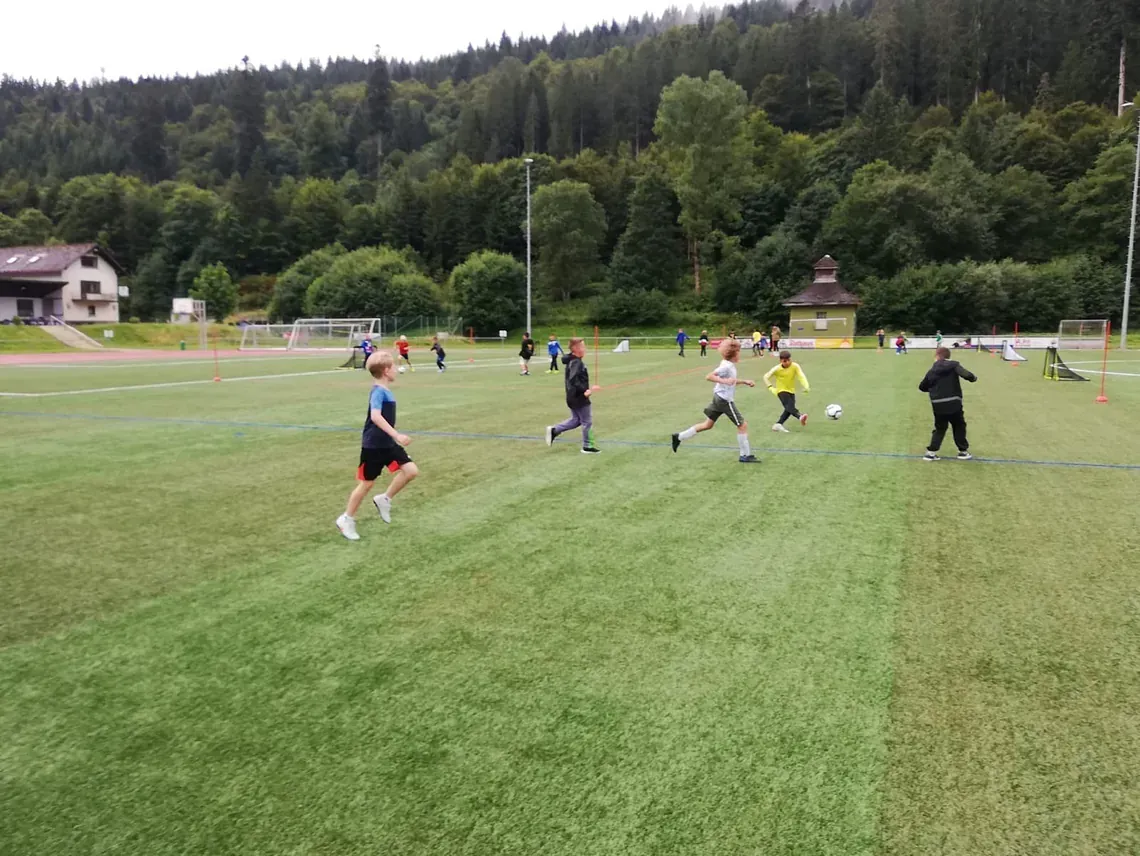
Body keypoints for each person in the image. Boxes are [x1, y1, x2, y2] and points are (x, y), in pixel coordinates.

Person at [336, 352, 418, 540]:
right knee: (366, 484)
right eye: (394, 367)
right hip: (373, 446)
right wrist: (397, 434)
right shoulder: (378, 391)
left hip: (387, 444)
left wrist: (393, 436)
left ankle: (384, 499)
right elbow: (375, 416)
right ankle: (346, 519)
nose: (396, 370)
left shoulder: (386, 391)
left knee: (411, 471)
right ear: (386, 371)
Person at [671, 338, 759, 463]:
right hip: (724, 400)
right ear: (733, 353)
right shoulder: (726, 366)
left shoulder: (728, 365)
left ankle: (679, 437)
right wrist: (724, 381)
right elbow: (709, 376)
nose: (740, 353)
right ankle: (745, 455)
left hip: (718, 398)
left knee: (707, 425)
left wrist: (744, 381)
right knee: (742, 425)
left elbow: (731, 380)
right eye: (738, 351)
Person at [920, 347, 977, 461]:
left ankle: (931, 452)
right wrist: (973, 378)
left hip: (938, 404)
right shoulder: (954, 365)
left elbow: (922, 387)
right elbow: (966, 375)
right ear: (948, 356)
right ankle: (962, 451)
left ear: (937, 356)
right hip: (953, 401)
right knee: (959, 425)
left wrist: (934, 391)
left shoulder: (932, 370)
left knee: (940, 428)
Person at [545, 338, 600, 454]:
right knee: (587, 421)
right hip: (578, 397)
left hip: (572, 397)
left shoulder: (573, 360)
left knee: (576, 420)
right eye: (583, 347)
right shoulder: (576, 362)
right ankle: (588, 446)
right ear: (575, 349)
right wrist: (586, 390)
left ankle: (554, 430)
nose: (585, 349)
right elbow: (573, 380)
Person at [765, 350, 810, 433]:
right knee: (789, 406)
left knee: (789, 408)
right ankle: (800, 416)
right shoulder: (776, 369)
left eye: (789, 360)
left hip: (791, 390)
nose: (787, 362)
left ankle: (778, 424)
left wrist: (806, 386)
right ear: (780, 361)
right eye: (785, 361)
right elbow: (766, 377)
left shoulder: (795, 366)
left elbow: (801, 376)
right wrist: (771, 388)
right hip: (781, 390)